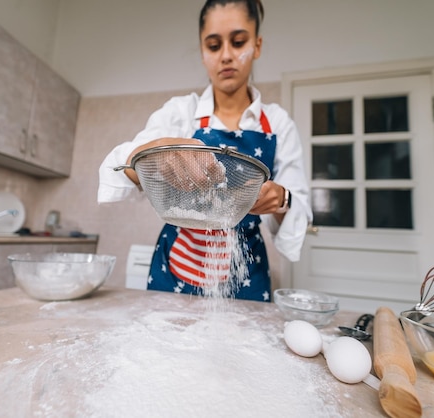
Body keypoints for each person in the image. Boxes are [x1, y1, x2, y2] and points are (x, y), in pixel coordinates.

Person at [98, 0, 311, 302]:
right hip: (174, 269)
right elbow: (122, 166)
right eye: (213, 46)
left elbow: (298, 204)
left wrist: (282, 199)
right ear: (202, 52)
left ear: (257, 45)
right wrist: (153, 153)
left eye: (238, 43)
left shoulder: (277, 123)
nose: (226, 56)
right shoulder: (180, 114)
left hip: (245, 273)